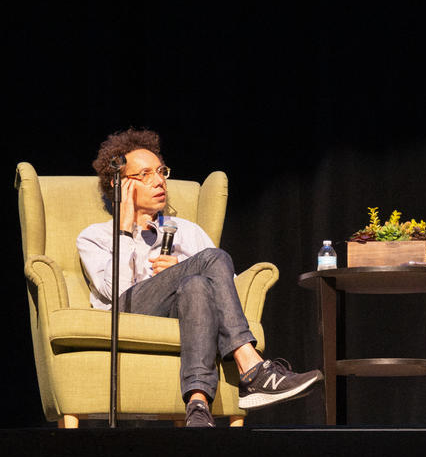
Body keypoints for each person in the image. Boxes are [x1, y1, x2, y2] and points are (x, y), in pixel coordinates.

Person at [77, 128, 322, 427]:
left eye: (161, 171)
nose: (159, 180)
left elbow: (223, 288)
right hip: (127, 312)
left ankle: (197, 407)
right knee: (209, 259)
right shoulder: (95, 237)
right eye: (145, 174)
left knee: (196, 284)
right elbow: (114, 290)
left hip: (186, 311)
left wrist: (181, 269)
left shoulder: (187, 230)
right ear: (122, 184)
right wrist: (126, 230)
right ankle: (253, 369)